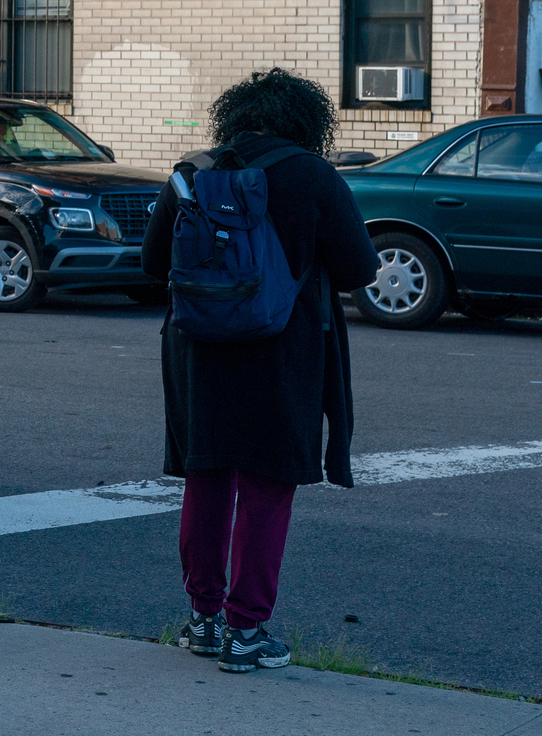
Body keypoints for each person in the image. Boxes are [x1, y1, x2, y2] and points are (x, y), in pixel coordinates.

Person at [140, 68, 377, 674]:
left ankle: (203, 620)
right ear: (306, 122)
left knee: (207, 476)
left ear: (235, 117)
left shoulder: (192, 172)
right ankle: (247, 630)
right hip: (283, 350)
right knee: (269, 486)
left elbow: (150, 264)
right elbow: (357, 270)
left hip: (198, 350)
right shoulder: (313, 175)